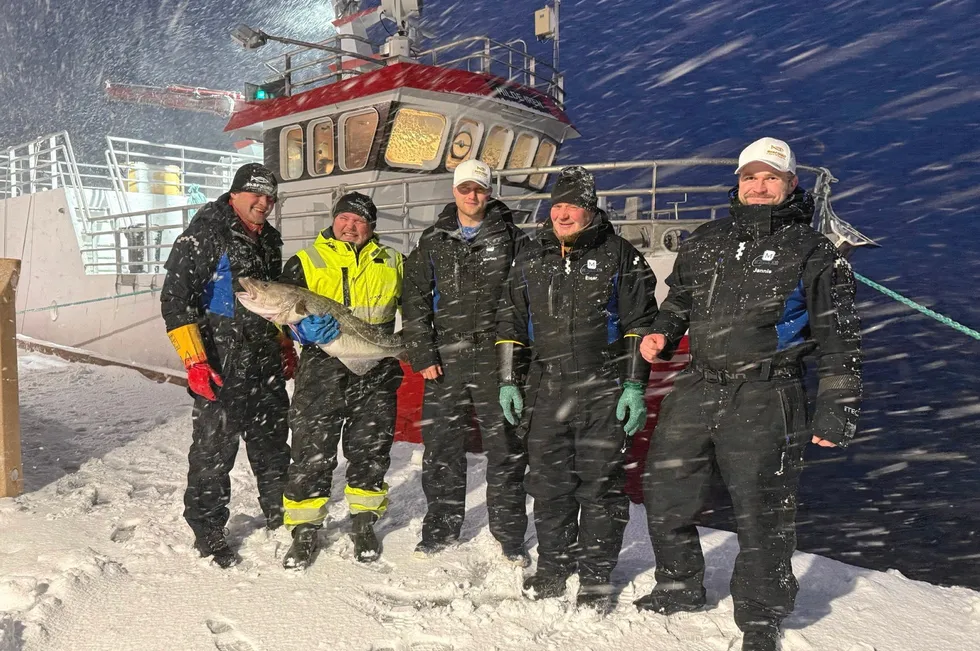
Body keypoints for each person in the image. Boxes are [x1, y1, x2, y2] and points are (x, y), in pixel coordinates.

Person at [634, 137, 862, 651]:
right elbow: (681, 300)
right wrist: (663, 333)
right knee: (666, 493)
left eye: (770, 178)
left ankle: (761, 616)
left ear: (789, 184)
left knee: (762, 509)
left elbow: (838, 336)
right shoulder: (707, 239)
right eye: (750, 177)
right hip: (699, 385)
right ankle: (678, 584)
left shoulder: (814, 251)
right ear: (737, 183)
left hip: (767, 393)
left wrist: (837, 409)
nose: (758, 187)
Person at [496, 166, 658, 611]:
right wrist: (509, 379)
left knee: (600, 486)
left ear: (590, 210)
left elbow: (639, 323)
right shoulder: (530, 255)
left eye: (573, 206)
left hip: (602, 388)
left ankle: (596, 576)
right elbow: (510, 320)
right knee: (549, 484)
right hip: (546, 387)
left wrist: (633, 386)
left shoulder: (621, 255)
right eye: (558, 205)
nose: (563, 213)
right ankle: (553, 565)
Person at [161, 163, 295, 569]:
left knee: (273, 445)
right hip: (221, 364)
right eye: (256, 195)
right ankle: (209, 530)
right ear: (234, 194)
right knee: (213, 452)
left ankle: (280, 512)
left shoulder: (269, 240)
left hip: (264, 361)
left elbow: (275, 301)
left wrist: (284, 343)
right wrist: (195, 361)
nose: (263, 203)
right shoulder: (204, 233)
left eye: (270, 197)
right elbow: (175, 300)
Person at [402, 159, 530, 564]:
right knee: (441, 447)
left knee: (506, 447)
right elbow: (416, 298)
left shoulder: (513, 240)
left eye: (479, 189)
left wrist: (515, 361)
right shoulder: (434, 239)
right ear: (454, 192)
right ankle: (440, 528)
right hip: (446, 357)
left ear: (489, 192)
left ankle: (508, 535)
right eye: (464, 189)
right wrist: (422, 352)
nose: (471, 196)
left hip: (496, 356)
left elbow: (523, 302)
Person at [279, 192, 404, 569]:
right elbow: (281, 321)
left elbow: (416, 309)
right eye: (343, 218)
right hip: (321, 367)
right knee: (310, 450)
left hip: (376, 365)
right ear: (333, 220)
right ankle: (304, 528)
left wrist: (410, 346)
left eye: (359, 220)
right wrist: (302, 333)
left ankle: (364, 520)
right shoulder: (304, 261)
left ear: (372, 226)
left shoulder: (395, 261)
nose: (349, 226)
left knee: (371, 448)